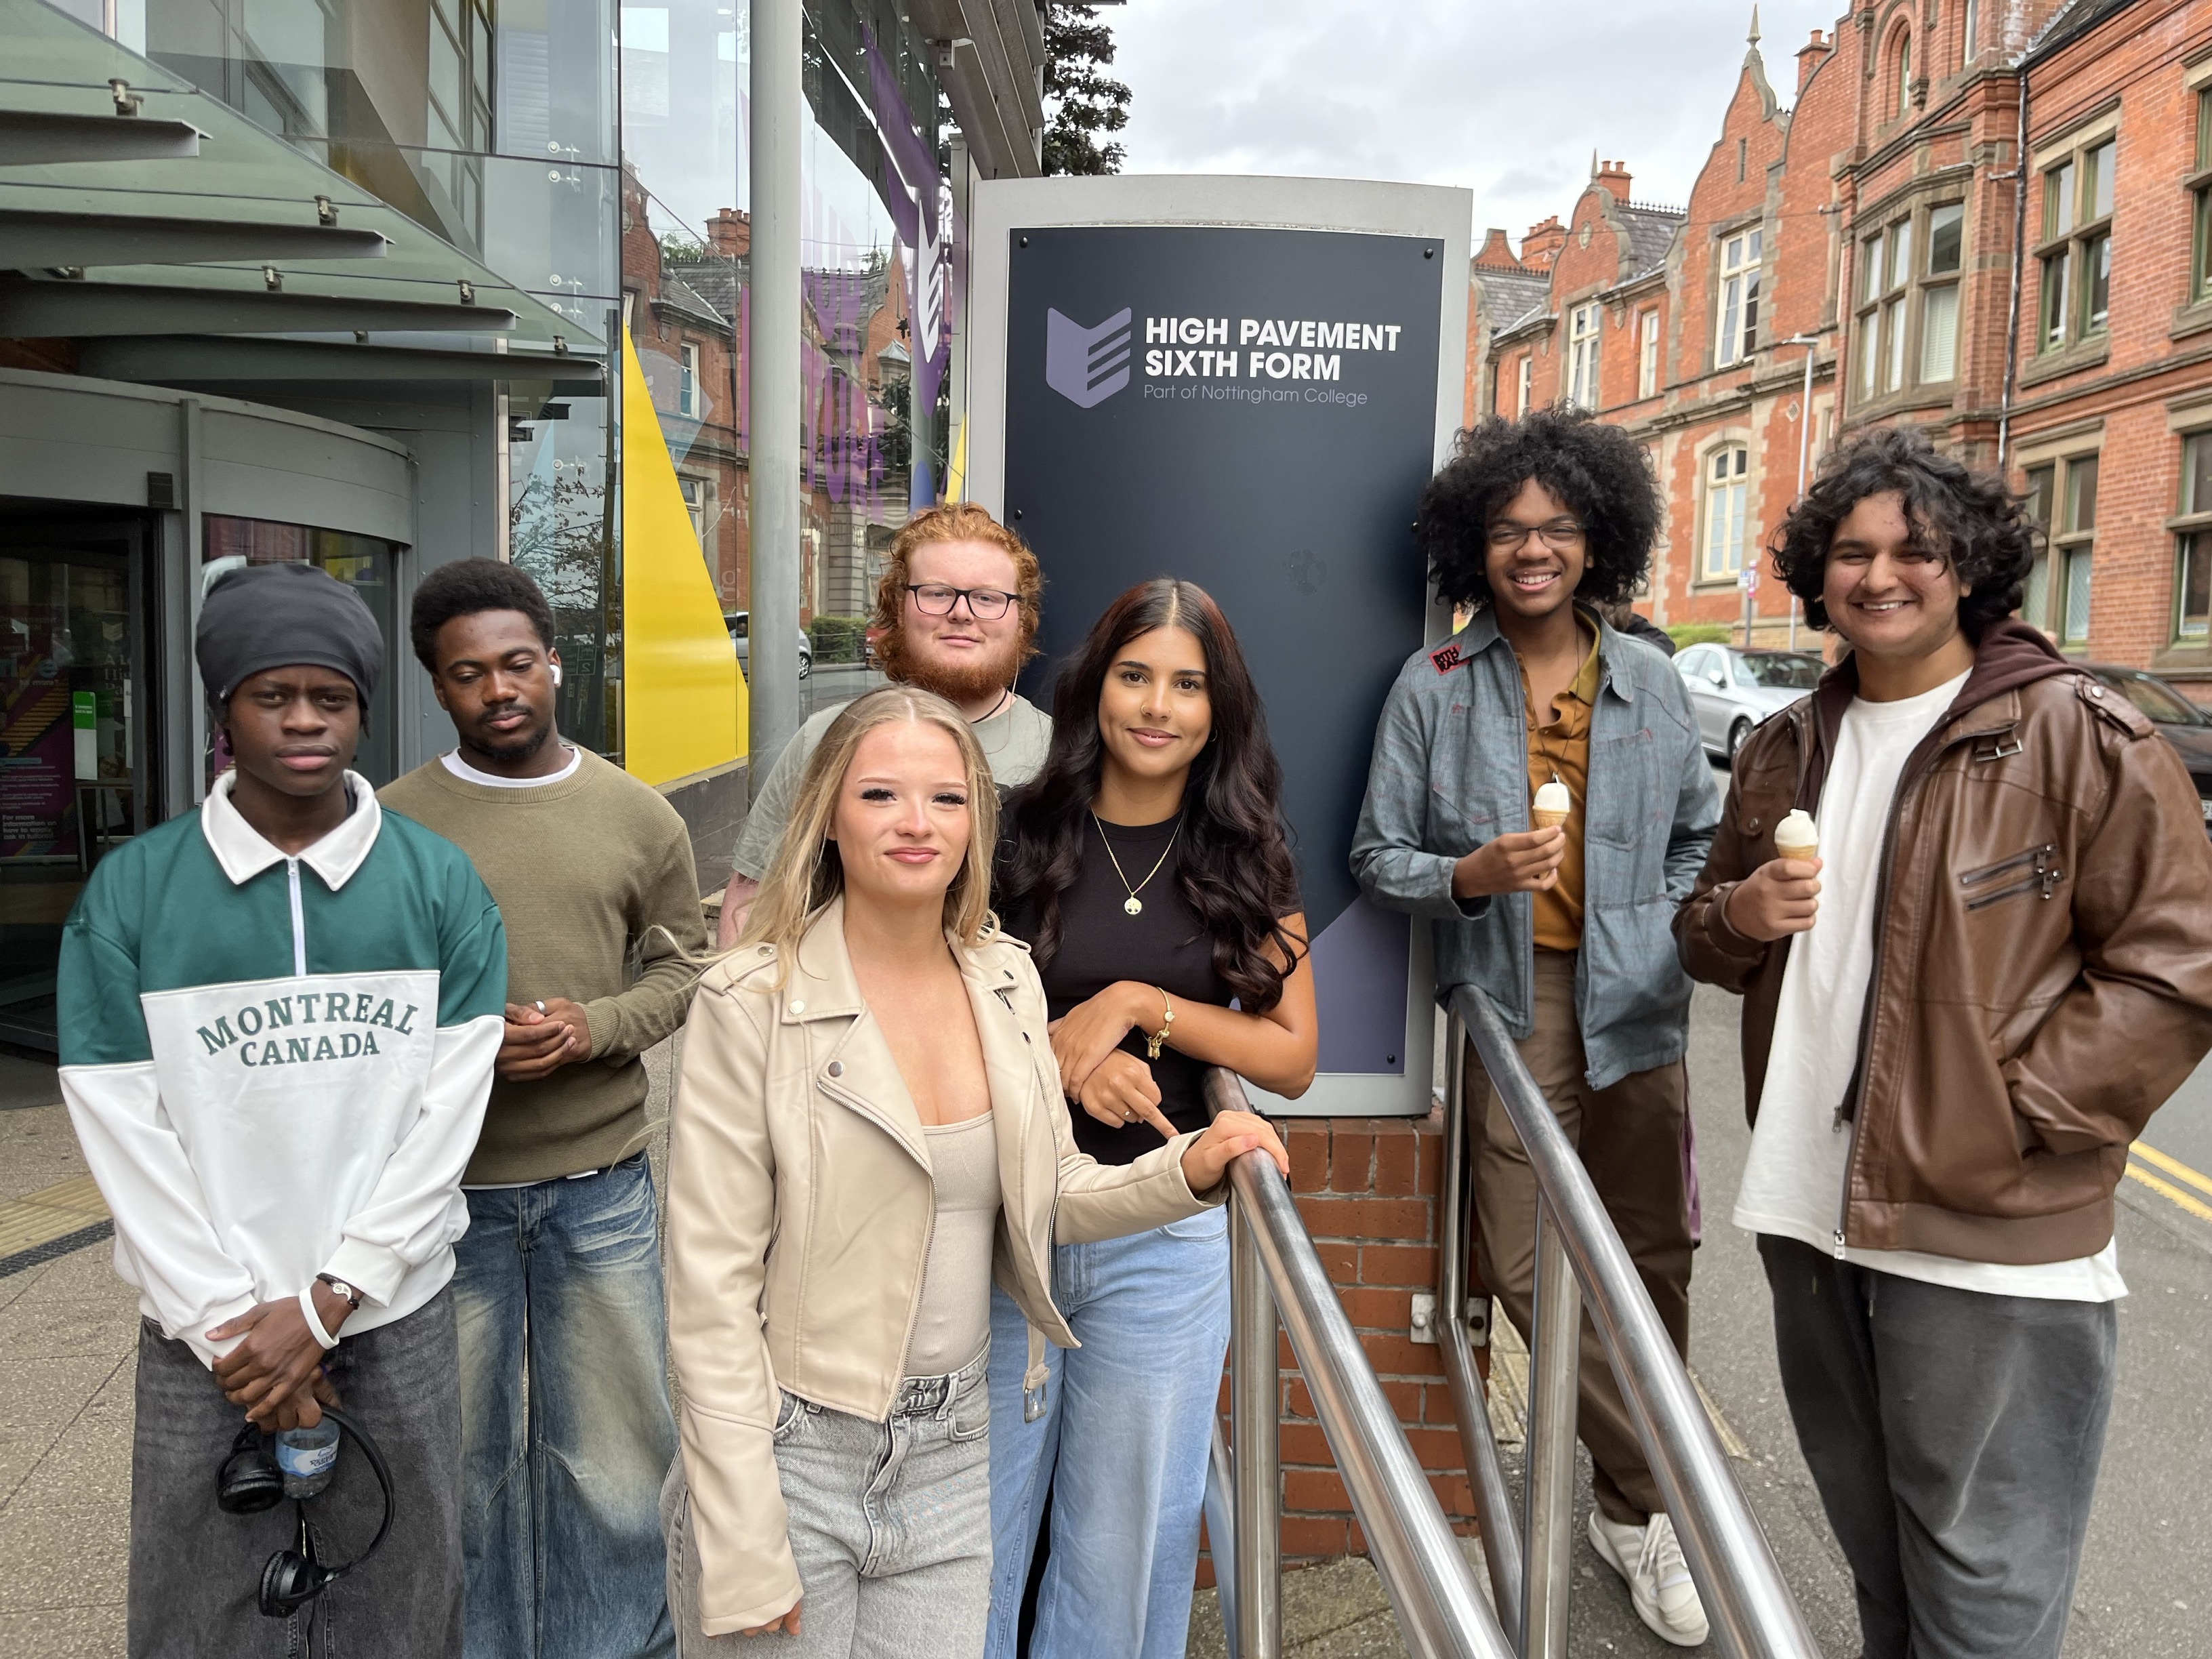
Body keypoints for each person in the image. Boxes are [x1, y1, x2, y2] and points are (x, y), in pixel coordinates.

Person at [1676, 428, 2212, 1659]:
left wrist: (2014, 1117)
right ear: (1818, 573)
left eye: (1913, 550)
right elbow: (1702, 941)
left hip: (1988, 1235)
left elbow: (2173, 968)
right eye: (1851, 552)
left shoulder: (2078, 732)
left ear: (1967, 565)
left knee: (1981, 1590)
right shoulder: (1781, 743)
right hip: (1807, 1209)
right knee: (1875, 1556)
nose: (1880, 575)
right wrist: (1735, 914)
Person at [657, 685, 1288, 1657]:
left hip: (954, 1451)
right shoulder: (750, 1002)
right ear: (827, 813)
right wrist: (739, 1535)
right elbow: (708, 1297)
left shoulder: (1004, 979)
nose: (917, 824)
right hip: (794, 1454)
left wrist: (1190, 1170)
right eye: (880, 797)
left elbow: (1052, 1197)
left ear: (976, 822)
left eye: (947, 799)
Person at [58, 562, 507, 1656]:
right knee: (198, 1609)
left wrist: (329, 1297)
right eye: (273, 695)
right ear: (224, 712)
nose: (304, 720)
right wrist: (234, 1322)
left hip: (387, 1309)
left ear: (363, 708)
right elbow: (123, 1126)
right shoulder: (136, 890)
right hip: (202, 1331)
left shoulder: (439, 883)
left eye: (332, 697)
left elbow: (444, 1120)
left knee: (401, 1599)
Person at [1351, 407, 1720, 1647]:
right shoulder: (1433, 684)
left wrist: (1661, 920)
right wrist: (1466, 874)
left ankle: (1628, 1512)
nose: (1530, 550)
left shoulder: (1655, 679)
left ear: (1595, 537)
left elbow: (1695, 838)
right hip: (1510, 1007)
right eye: (1506, 531)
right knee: (1520, 1263)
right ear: (1472, 545)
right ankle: (1675, 1494)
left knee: (1648, 1258)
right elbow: (1372, 853)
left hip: (1640, 1001)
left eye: (1555, 527)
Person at [987, 579, 1319, 1659]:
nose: (1158, 706)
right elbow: (938, 1018)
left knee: (1126, 1536)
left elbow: (1293, 1055)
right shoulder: (1014, 830)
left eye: (1188, 684)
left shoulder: (1245, 853)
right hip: (1002, 1221)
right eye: (1136, 675)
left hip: (1160, 1233)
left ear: (1220, 709)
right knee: (973, 1525)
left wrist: (1139, 1009)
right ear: (1095, 686)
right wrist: (1058, 1059)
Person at [381, 559, 705, 1658]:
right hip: (443, 1198)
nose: (499, 689)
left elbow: (681, 968)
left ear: (553, 660)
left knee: (617, 1465)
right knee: (460, 1468)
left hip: (598, 1191)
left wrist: (592, 1026)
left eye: (517, 662)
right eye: (469, 673)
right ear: (440, 686)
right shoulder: (387, 826)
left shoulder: (636, 815)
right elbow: (365, 1006)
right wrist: (458, 1047)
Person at [717, 501, 1050, 945]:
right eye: (936, 593)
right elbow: (753, 898)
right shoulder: (827, 737)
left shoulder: (1060, 749)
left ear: (1020, 620)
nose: (962, 613)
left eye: (987, 598)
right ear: (898, 607)